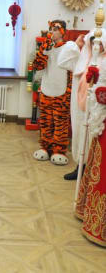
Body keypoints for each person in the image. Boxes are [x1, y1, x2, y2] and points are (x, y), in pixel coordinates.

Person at [58, 29, 106, 179]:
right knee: (80, 135)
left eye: (99, 43)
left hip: (97, 109)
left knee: (94, 138)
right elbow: (62, 62)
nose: (96, 46)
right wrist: (75, 45)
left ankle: (92, 172)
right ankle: (80, 167)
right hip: (79, 106)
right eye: (92, 43)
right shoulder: (83, 58)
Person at [75, 37, 106, 246]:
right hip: (99, 119)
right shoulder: (96, 59)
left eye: (100, 43)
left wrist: (98, 91)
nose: (97, 46)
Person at [33, 20, 71, 165]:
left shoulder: (68, 48)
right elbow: (38, 66)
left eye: (55, 29)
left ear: (63, 31)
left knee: (60, 123)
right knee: (46, 121)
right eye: (51, 29)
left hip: (61, 91)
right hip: (46, 89)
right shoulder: (46, 46)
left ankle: (59, 150)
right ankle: (46, 148)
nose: (52, 31)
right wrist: (43, 51)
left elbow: (72, 70)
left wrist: (69, 91)